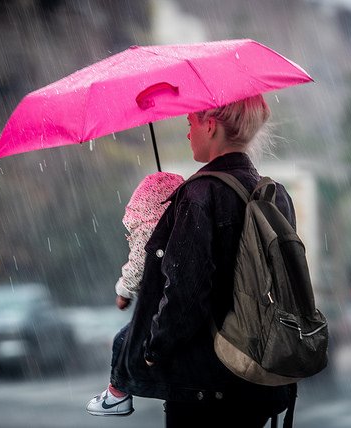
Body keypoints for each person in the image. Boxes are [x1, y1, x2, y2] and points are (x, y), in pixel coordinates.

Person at [110, 94, 298, 427]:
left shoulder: (199, 195)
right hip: (260, 374)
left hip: (207, 385)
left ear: (210, 126)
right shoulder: (272, 193)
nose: (187, 133)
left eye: (190, 124)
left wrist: (154, 348)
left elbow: (186, 293)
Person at [86, 171, 184, 417]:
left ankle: (117, 393)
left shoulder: (148, 230)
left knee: (125, 341)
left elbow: (138, 264)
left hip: (162, 304)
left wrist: (124, 291)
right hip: (173, 300)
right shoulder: (182, 221)